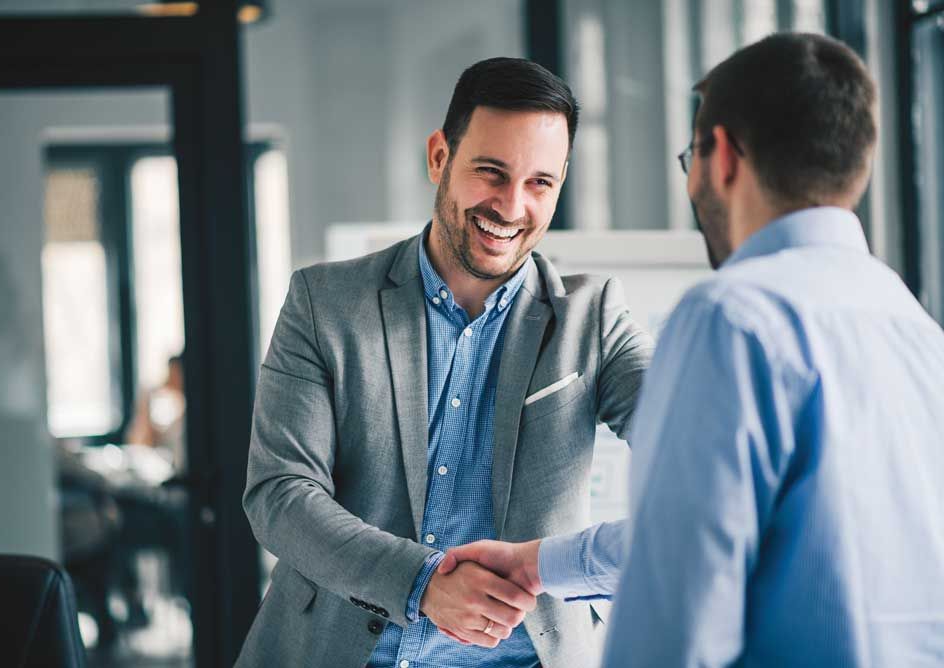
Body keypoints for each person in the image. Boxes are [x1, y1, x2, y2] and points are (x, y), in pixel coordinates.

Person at [439, 32, 944, 666]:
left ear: (723, 157)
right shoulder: (918, 332)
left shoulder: (733, 319)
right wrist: (539, 564)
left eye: (691, 157)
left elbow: (676, 603)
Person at [236, 57, 654, 668]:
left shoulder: (594, 319)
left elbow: (699, 457)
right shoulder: (324, 303)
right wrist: (422, 582)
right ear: (440, 157)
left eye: (541, 183)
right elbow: (280, 495)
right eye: (491, 172)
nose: (512, 206)